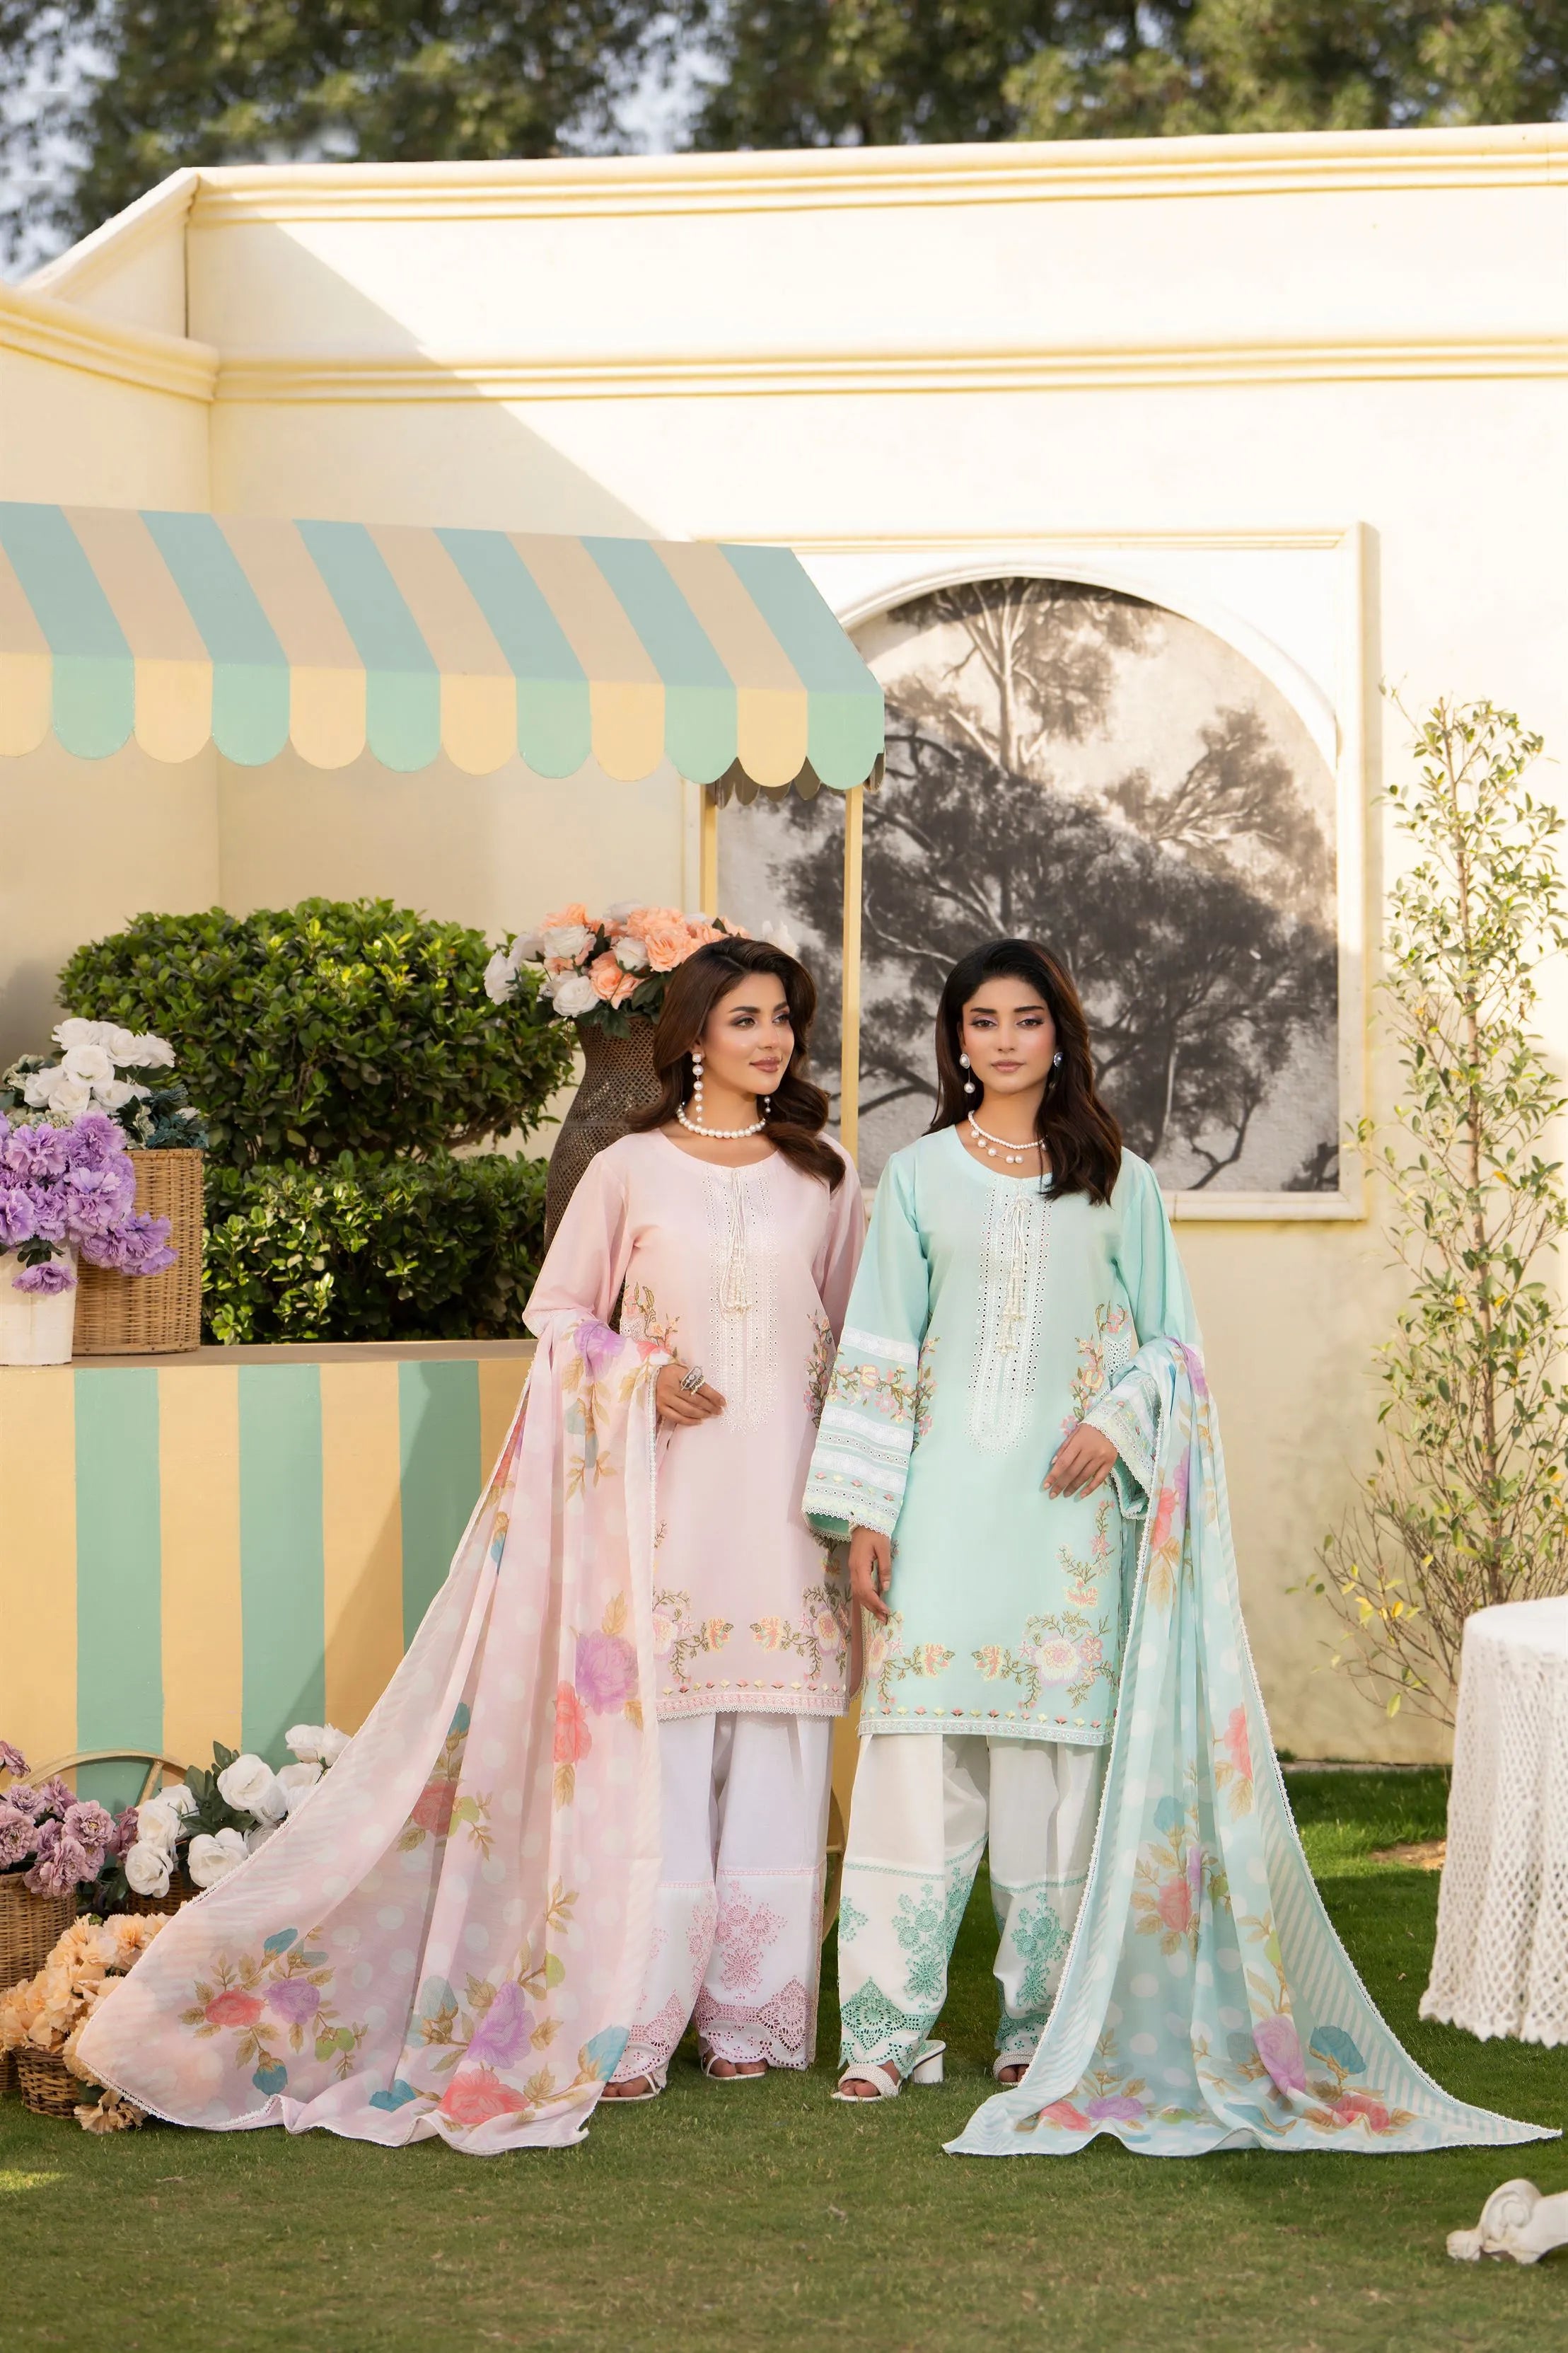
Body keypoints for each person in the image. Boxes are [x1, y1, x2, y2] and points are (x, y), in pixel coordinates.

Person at [805, 937, 1196, 2100]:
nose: (1007, 1040)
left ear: (1059, 1034)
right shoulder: (917, 1177)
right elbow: (878, 1346)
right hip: (937, 1514)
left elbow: (1175, 1347)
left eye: (1028, 1019)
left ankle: (1040, 2023)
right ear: (957, 1040)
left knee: (1051, 1780)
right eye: (983, 1020)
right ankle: (884, 2032)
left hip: (1065, 1523)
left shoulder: (1118, 1180)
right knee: (914, 1769)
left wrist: (1116, 1422)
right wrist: (864, 1514)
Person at [532, 937, 864, 2098]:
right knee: (660, 1763)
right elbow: (557, 1314)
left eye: (782, 1017)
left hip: (788, 1512)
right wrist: (640, 1374)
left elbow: (858, 1340)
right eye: (744, 1019)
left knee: (778, 1753)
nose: (771, 1039)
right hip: (664, 1512)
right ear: (691, 1038)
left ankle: (750, 2019)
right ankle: (633, 2022)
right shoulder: (627, 1168)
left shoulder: (824, 1173)